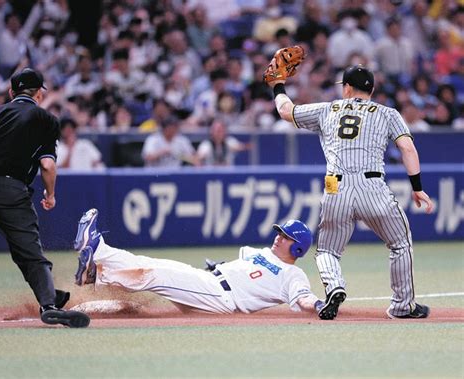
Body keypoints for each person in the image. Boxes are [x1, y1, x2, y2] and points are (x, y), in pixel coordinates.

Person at [267, 63, 434, 320]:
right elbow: (407, 149)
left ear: (346, 88)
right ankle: (403, 306)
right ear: (372, 89)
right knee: (400, 244)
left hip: (336, 187)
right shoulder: (388, 113)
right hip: (373, 186)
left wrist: (277, 85)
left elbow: (286, 111)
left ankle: (334, 287)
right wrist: (417, 188)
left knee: (327, 251)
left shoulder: (327, 109)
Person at [73, 208, 325, 316]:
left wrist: (320, 305)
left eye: (285, 236)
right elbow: (245, 269)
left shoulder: (293, 275)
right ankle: (98, 254)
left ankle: (96, 273)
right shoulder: (261, 252)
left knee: (155, 274)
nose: (278, 237)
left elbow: (303, 298)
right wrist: (220, 265)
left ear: (298, 247)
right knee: (152, 263)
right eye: (279, 232)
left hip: (221, 298)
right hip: (209, 281)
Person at [0, 68, 90, 327]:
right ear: (38, 94)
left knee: (23, 251)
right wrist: (51, 194)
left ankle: (48, 293)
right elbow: (47, 165)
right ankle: (49, 304)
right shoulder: (44, 118)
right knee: (29, 250)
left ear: (12, 92)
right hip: (9, 189)